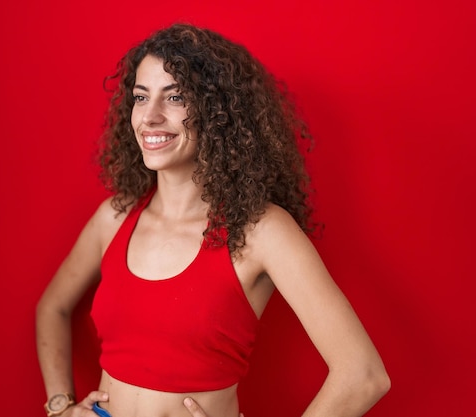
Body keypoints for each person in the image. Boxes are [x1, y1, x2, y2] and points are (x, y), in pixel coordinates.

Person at [36, 23, 390, 417]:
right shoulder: (113, 218)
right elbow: (52, 307)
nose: (150, 117)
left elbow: (363, 374)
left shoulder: (262, 231)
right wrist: (59, 407)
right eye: (141, 97)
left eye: (175, 97)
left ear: (216, 111)